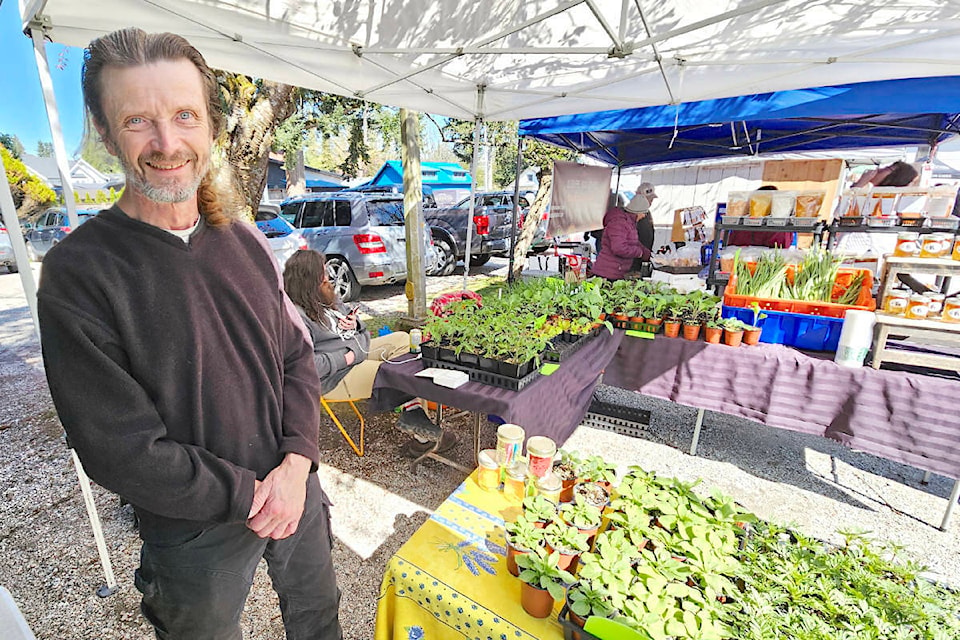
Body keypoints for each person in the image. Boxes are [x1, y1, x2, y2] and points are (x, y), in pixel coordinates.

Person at [37, 28, 341, 639]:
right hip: (192, 526)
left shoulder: (246, 241)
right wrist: (253, 493)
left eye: (184, 115)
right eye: (138, 121)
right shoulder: (80, 274)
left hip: (292, 482)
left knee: (317, 619)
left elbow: (296, 357)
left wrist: (296, 462)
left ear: (210, 127)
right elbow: (120, 448)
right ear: (102, 131)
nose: (168, 142)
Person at [589, 190, 652, 280]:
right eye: (644, 213)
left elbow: (635, 243)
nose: (644, 216)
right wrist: (639, 253)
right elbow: (618, 248)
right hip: (607, 273)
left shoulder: (630, 223)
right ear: (638, 211)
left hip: (618, 272)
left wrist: (650, 255)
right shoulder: (619, 223)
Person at [726, 185, 794, 249]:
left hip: (743, 258)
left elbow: (731, 244)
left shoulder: (742, 223)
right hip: (770, 259)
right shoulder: (781, 225)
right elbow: (785, 244)